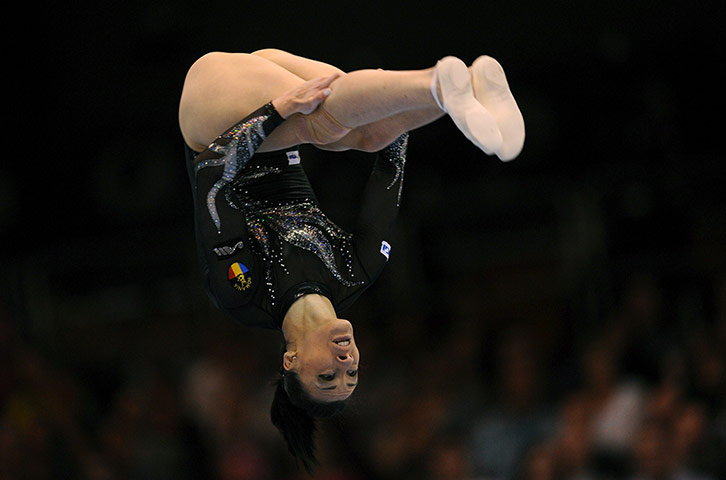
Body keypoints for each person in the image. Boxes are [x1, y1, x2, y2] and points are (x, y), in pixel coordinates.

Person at [178, 48, 524, 471]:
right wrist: (403, 112)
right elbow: (390, 164)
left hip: (214, 118)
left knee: (325, 125)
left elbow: (212, 172)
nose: (347, 365)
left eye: (327, 377)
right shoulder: (357, 272)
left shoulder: (243, 293)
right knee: (368, 132)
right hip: (283, 121)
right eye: (351, 377)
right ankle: (461, 85)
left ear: (291, 362)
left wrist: (277, 111)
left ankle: (437, 82)